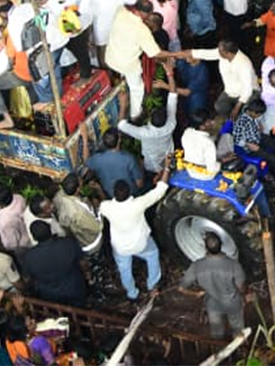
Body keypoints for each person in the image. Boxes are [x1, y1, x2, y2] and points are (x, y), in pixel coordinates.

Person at [99, 160, 171, 300]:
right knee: (153, 255)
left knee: (124, 269)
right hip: (141, 243)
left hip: (120, 247)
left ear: (114, 194)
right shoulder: (138, 204)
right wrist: (167, 167)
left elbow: (101, 205)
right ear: (129, 192)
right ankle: (152, 285)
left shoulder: (106, 207)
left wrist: (97, 190)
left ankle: (132, 293)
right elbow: (160, 190)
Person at [177, 231, 247, 339]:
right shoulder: (233, 264)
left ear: (205, 248)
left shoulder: (197, 265)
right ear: (221, 245)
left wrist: (195, 294)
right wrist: (244, 297)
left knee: (216, 332)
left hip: (213, 304)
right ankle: (239, 346)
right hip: (233, 303)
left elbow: (181, 288)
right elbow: (241, 287)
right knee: (238, 329)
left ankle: (219, 349)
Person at [19, 221, 87, 306]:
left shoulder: (29, 257)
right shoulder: (68, 243)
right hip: (75, 289)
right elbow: (83, 264)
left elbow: (27, 279)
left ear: (34, 238)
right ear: (51, 231)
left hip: (49, 296)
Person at [83, 126, 144, 194]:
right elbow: (140, 184)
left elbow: (86, 161)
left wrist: (85, 138)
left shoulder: (98, 159)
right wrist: (141, 166)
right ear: (119, 140)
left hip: (111, 196)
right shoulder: (128, 159)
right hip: (131, 196)